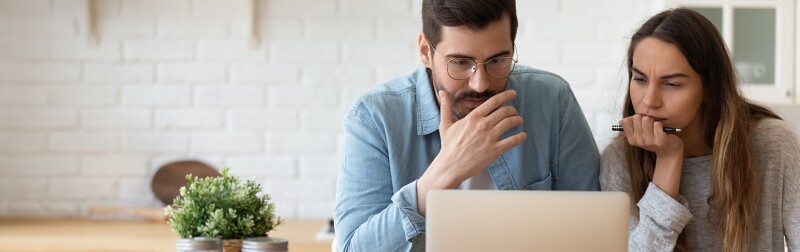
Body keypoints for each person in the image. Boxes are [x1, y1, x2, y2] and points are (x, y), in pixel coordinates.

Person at [334, 0, 600, 251]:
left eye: (497, 60)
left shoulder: (554, 101)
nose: (480, 84)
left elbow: (596, 231)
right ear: (426, 51)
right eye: (460, 63)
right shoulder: (373, 119)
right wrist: (442, 175)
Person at [600, 8, 800, 252]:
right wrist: (668, 160)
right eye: (640, 79)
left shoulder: (773, 144)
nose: (649, 101)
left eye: (672, 84)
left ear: (709, 88)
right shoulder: (619, 159)